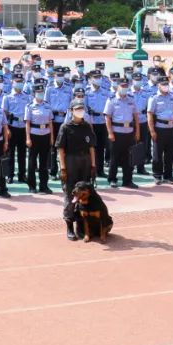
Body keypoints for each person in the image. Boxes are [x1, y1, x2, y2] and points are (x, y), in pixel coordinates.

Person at [56, 99, 97, 240]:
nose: (80, 111)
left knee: (84, 194)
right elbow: (60, 149)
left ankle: (81, 226)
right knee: (70, 195)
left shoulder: (87, 126)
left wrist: (93, 164)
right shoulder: (65, 127)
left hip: (85, 161)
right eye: (77, 109)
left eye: (82, 108)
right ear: (71, 111)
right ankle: (69, 227)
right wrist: (63, 168)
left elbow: (91, 147)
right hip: (71, 162)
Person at [104, 77, 141, 188]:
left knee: (129, 158)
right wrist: (110, 133)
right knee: (114, 157)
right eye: (122, 86)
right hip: (117, 132)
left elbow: (136, 117)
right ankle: (112, 179)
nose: (124, 88)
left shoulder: (131, 99)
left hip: (129, 132)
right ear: (118, 86)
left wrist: (137, 132)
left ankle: (127, 180)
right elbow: (108, 118)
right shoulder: (111, 100)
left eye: (126, 86)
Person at [147, 77, 173, 185]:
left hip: (171, 128)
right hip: (159, 128)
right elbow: (150, 114)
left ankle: (168, 175)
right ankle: (157, 175)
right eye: (163, 84)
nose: (166, 86)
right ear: (158, 85)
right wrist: (152, 130)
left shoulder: (172, 97)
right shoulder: (154, 98)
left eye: (167, 84)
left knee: (170, 154)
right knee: (157, 154)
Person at [24, 80, 55, 194]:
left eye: (42, 91)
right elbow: (27, 123)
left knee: (44, 163)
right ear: (34, 93)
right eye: (38, 92)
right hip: (34, 134)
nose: (40, 94)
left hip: (45, 134)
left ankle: (44, 185)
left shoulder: (47, 105)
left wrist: (51, 137)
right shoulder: (30, 106)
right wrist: (27, 138)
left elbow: (50, 122)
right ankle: (32, 185)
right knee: (32, 162)